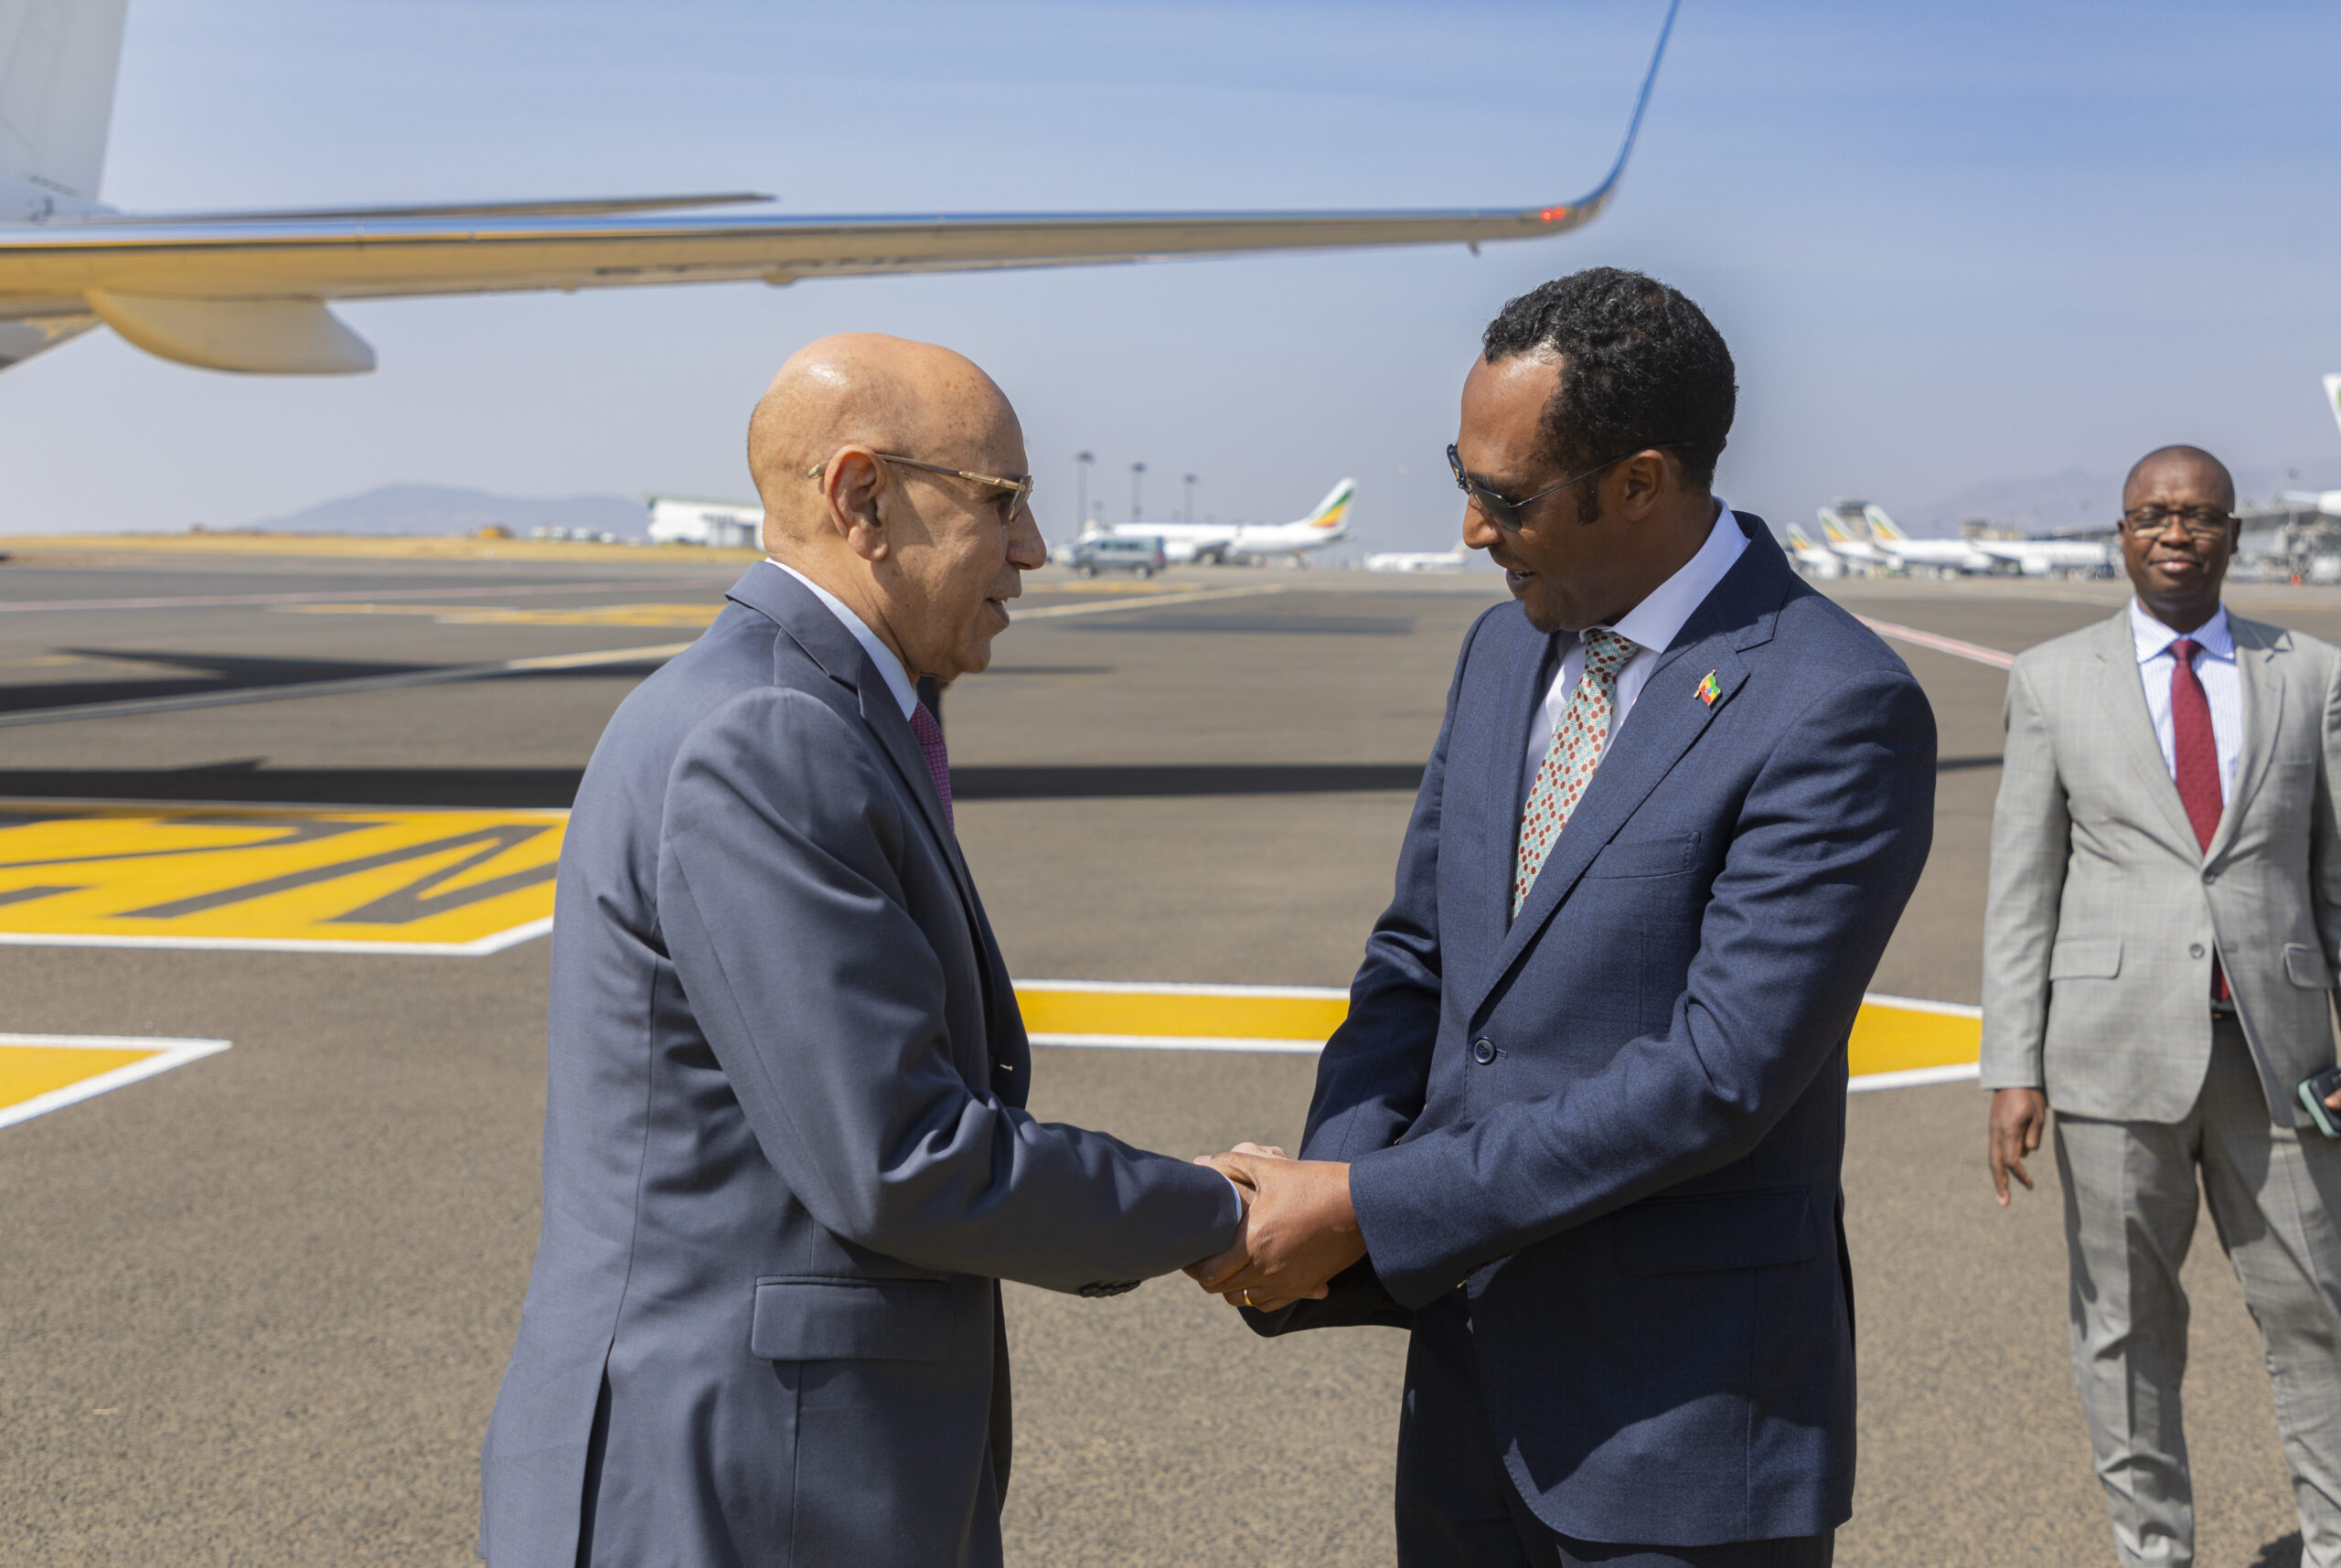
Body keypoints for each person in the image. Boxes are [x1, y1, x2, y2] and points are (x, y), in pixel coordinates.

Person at [1191, 268, 1938, 1566]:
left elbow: (1717, 1076)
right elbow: (1416, 958)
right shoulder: (1503, 651)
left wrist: (1368, 1201)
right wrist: (1333, 1187)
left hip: (1678, 1424)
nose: (1471, 528)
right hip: (1466, 1399)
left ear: (1640, 482)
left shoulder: (1833, 703)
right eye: (1463, 476)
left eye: (1507, 496)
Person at [479, 333, 1250, 1568]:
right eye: (1002, 499)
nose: (1034, 547)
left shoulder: (810, 706)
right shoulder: (769, 734)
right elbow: (900, 1158)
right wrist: (1217, 1209)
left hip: (769, 1471)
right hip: (739, 1488)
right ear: (863, 499)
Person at [1982, 444, 2341, 1568]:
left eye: (2196, 515)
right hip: (2109, 1056)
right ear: (2122, 535)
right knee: (2125, 1329)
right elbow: (2022, 886)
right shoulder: (2052, 678)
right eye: (2151, 515)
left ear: (2233, 532)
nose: (2174, 533)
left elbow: (2334, 878)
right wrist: (2011, 1066)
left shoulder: (2310, 674)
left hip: (2280, 1060)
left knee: (2320, 1313)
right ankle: (2153, 1552)